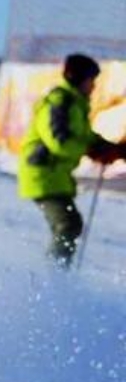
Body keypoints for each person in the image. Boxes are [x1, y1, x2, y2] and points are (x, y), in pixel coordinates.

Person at [17, 52, 126, 265]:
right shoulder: (60, 102)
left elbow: (85, 136)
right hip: (42, 173)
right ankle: (54, 276)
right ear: (77, 78)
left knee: (70, 224)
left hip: (55, 176)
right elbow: (59, 141)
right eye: (91, 80)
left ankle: (56, 272)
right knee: (67, 225)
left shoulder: (76, 104)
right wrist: (92, 150)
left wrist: (110, 148)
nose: (93, 86)